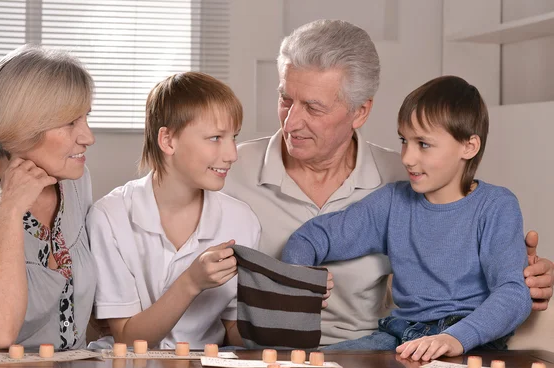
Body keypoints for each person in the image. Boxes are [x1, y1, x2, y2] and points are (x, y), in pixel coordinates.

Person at [222, 19, 553, 348]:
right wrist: (299, 279)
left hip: (418, 346)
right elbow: (313, 236)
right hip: (288, 351)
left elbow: (508, 288)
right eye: (285, 99)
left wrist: (528, 280)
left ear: (360, 112)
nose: (291, 122)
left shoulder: (410, 179)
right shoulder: (224, 169)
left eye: (314, 107)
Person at [282, 75, 532, 360]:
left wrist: (455, 339)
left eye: (423, 144)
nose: (407, 158)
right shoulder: (393, 202)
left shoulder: (496, 205)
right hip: (401, 337)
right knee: (307, 365)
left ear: (469, 147)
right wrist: (299, 275)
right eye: (404, 140)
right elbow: (312, 237)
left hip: (470, 342)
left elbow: (513, 293)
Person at [87, 72, 261, 349]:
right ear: (168, 141)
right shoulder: (109, 216)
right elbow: (129, 340)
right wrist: (191, 282)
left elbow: (233, 330)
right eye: (215, 137)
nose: (232, 154)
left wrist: (287, 313)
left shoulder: (242, 221)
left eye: (234, 137)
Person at [0, 45, 96, 349]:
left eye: (86, 117)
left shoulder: (74, 180)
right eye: (71, 122)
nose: (88, 137)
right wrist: (8, 209)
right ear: (21, 127)